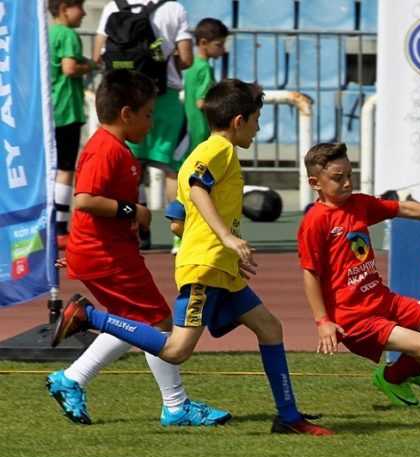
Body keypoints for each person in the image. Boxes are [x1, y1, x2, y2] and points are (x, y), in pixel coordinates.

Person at [51, 79, 332, 437]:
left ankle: (289, 418)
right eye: (257, 120)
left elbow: (178, 215)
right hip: (206, 267)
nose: (259, 128)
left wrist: (228, 247)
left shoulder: (201, 153)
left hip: (220, 266)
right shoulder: (220, 151)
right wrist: (226, 239)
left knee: (270, 328)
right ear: (238, 121)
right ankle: (89, 317)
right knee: (175, 348)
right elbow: (197, 188)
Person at [46, 70, 229, 427]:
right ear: (126, 114)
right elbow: (84, 200)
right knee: (158, 324)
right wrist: (134, 210)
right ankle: (175, 406)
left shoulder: (115, 148)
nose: (151, 121)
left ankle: (71, 379)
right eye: (147, 114)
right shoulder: (105, 150)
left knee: (131, 322)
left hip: (105, 252)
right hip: (107, 256)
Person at [297, 143, 420, 407]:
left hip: (382, 300)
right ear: (315, 182)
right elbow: (310, 274)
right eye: (338, 178)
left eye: (350, 175)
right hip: (354, 319)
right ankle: (393, 377)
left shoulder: (359, 204)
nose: (347, 183)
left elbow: (403, 208)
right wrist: (322, 321)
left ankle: (411, 371)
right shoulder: (315, 222)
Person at [94, 0, 194, 249]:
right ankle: (178, 237)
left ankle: (138, 232)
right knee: (173, 169)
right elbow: (188, 58)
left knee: (131, 170)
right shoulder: (174, 9)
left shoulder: (113, 6)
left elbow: (98, 55)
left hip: (127, 102)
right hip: (165, 97)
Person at [175, 16, 229, 254]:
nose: (223, 49)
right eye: (219, 44)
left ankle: (181, 233)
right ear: (204, 42)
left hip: (191, 131)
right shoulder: (205, 68)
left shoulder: (191, 68)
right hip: (201, 134)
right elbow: (200, 102)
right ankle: (186, 233)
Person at [48, 0, 96, 248]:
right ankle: (60, 228)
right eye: (80, 7)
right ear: (65, 7)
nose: (84, 13)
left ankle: (51, 225)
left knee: (52, 169)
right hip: (67, 109)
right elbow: (69, 68)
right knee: (66, 168)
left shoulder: (48, 32)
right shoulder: (67, 34)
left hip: (51, 109)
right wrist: (93, 64)